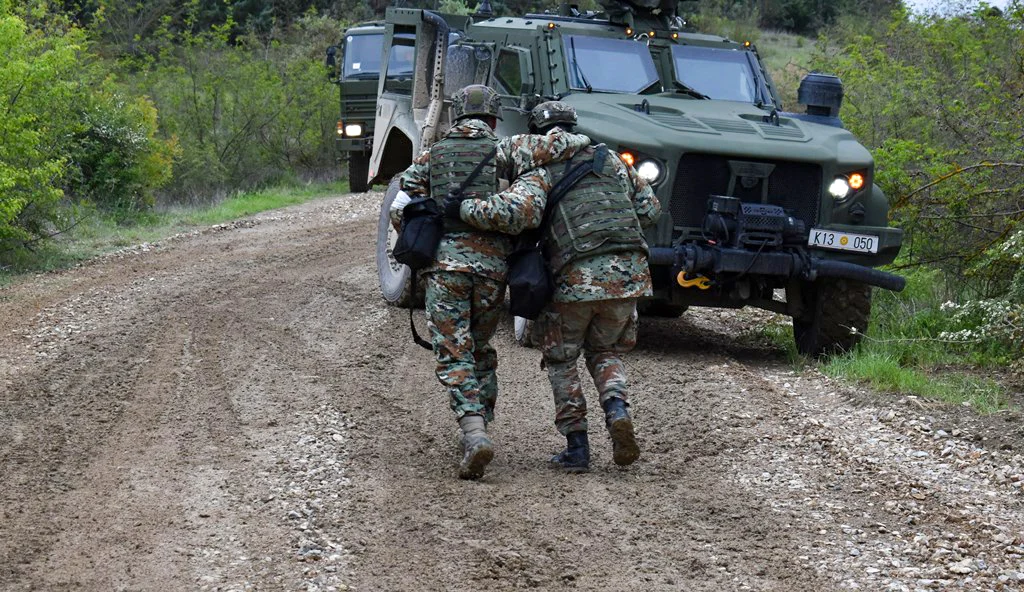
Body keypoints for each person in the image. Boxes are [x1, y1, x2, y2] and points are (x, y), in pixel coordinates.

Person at [394, 87, 589, 479]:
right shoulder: (505, 151)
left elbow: (403, 205)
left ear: (456, 115)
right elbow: (548, 155)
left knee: (454, 352)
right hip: (491, 270)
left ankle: (474, 432)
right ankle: (483, 418)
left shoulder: (433, 156)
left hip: (444, 268)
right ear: (494, 120)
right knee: (480, 346)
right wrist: (582, 140)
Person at [455, 101, 661, 472]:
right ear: (573, 125)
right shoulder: (611, 160)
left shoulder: (539, 169)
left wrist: (466, 208)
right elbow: (649, 210)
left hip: (574, 277)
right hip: (629, 275)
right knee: (606, 351)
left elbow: (517, 214)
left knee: (562, 359)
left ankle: (577, 448)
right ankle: (616, 412)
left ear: (538, 132)